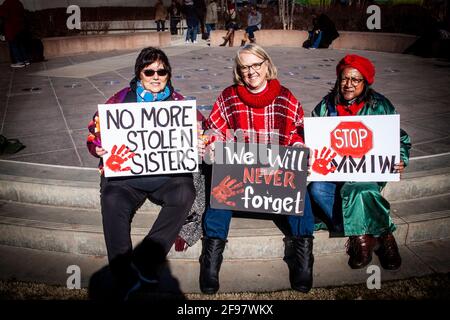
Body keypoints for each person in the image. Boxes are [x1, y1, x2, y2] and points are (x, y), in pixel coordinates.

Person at [86, 47, 203, 300]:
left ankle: (145, 260)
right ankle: (123, 274)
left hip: (166, 178)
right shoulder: (119, 100)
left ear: (168, 74)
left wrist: (200, 138)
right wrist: (98, 147)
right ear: (139, 73)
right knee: (112, 199)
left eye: (162, 71)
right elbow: (93, 133)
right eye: (149, 71)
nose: (156, 76)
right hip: (126, 180)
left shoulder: (179, 104)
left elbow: (204, 129)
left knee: (186, 192)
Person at [199, 44, 315, 294]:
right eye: (244, 67)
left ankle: (304, 256)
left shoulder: (285, 97)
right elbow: (214, 130)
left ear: (266, 65)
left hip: (275, 174)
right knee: (219, 194)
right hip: (241, 174)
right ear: (238, 71)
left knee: (301, 196)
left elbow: (297, 133)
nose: (251, 71)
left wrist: (300, 150)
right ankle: (211, 257)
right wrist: (213, 146)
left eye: (256, 65)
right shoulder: (229, 96)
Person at [307, 54, 411, 271]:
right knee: (316, 189)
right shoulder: (326, 106)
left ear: (365, 82)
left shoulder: (380, 105)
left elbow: (400, 138)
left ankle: (373, 238)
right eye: (345, 79)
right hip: (334, 172)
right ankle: (371, 235)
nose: (349, 84)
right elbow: (312, 138)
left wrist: (400, 158)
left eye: (356, 80)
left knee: (359, 190)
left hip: (367, 171)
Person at [0, 0, 29, 67]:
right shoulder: (18, 2)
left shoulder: (7, 3)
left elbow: (3, 14)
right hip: (20, 27)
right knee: (20, 44)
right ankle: (25, 60)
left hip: (12, 28)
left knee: (13, 45)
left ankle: (19, 61)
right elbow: (23, 13)